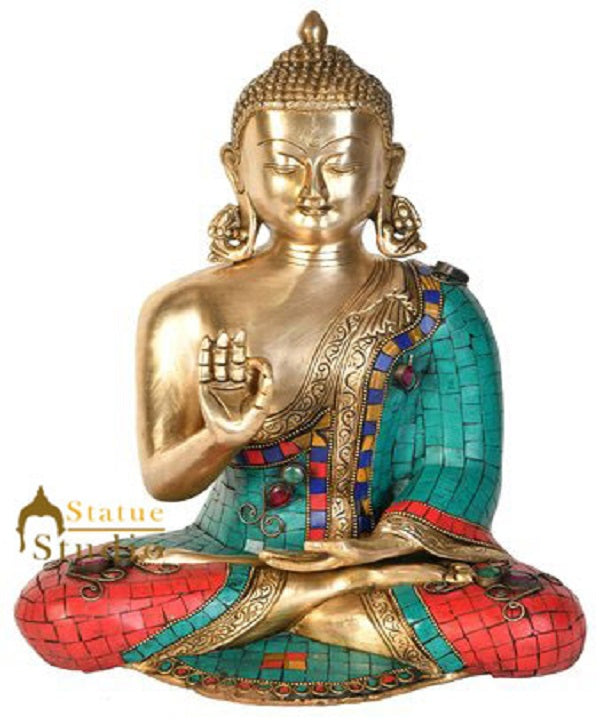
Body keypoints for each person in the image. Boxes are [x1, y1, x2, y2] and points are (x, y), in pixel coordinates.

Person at [15, 11, 585, 705]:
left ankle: (290, 605)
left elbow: (460, 466)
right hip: (230, 552)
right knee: (58, 606)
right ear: (236, 169)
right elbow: (163, 482)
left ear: (388, 167)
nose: (313, 190)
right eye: (285, 166)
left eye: (341, 164)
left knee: (547, 624)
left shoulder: (436, 307)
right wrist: (221, 434)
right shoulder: (187, 307)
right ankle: (322, 601)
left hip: (392, 563)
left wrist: (385, 547)